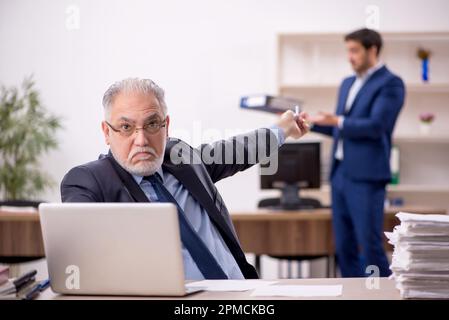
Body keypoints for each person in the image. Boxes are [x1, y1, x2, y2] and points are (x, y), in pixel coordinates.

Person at [61, 77, 309, 280]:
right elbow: (80, 253)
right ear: (107, 132)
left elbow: (238, 149)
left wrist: (283, 128)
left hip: (242, 293)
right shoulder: (88, 181)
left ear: (166, 126)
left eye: (152, 124)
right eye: (126, 127)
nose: (141, 140)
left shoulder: (181, 157)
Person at [304, 28, 405, 277]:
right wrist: (310, 123)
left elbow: (376, 126)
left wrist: (335, 120)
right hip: (340, 175)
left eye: (355, 50)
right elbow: (342, 128)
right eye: (348, 50)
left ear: (373, 50)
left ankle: (379, 295)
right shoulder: (347, 83)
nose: (350, 56)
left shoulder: (390, 83)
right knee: (343, 248)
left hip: (366, 177)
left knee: (370, 246)